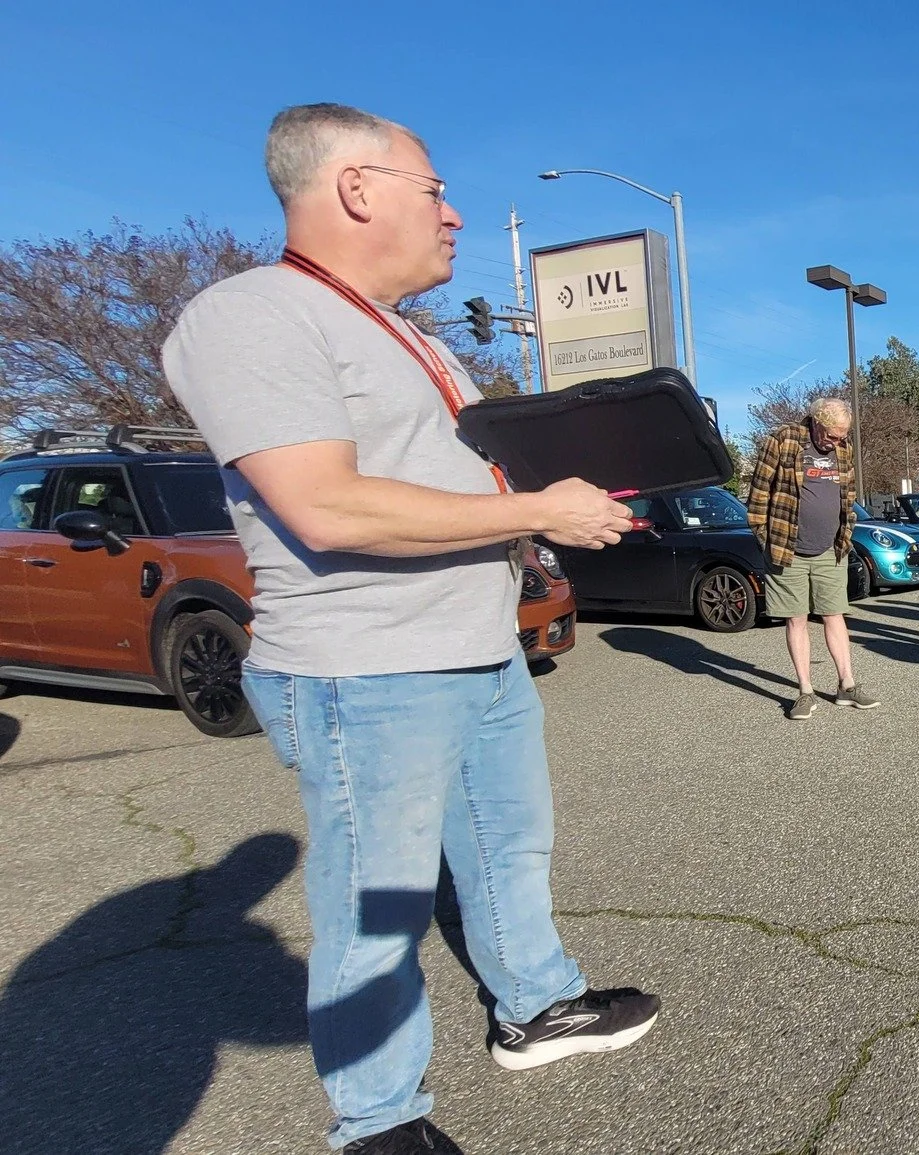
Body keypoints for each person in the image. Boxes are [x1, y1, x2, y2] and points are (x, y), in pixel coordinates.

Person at [161, 103, 658, 1155]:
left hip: (476, 647)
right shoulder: (251, 314)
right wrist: (535, 510)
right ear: (355, 187)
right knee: (375, 909)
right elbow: (323, 506)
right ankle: (379, 1121)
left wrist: (583, 485)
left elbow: (466, 478)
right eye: (435, 190)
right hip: (364, 667)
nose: (455, 213)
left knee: (509, 848)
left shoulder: (413, 338)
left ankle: (535, 1005)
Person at [745, 397, 879, 719]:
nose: (837, 442)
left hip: (830, 551)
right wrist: (768, 541)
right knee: (797, 619)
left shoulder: (842, 449)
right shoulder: (784, 440)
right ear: (817, 423)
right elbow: (758, 495)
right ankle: (805, 691)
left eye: (842, 436)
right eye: (832, 435)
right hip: (787, 551)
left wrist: (845, 536)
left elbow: (847, 495)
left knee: (835, 615)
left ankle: (846, 686)